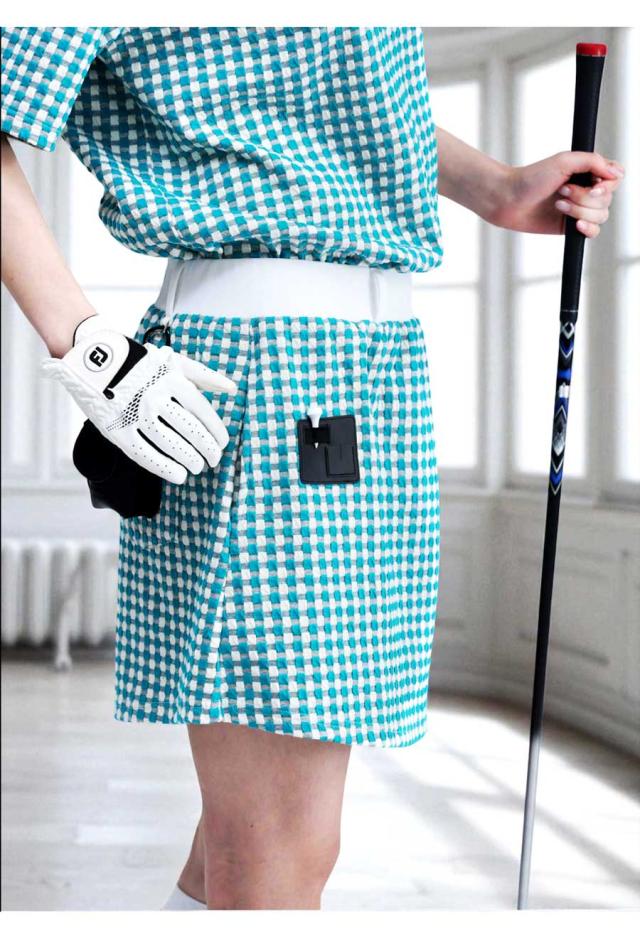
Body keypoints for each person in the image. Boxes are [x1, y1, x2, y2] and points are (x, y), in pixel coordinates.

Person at [1, 27, 623, 912]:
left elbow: (327, 104)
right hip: (270, 365)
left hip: (375, 365)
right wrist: (92, 350)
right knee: (277, 847)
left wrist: (492, 186)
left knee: (249, 841)